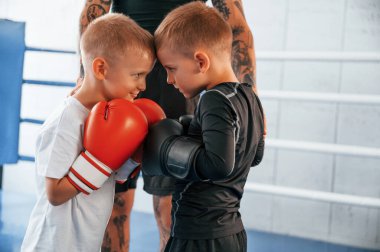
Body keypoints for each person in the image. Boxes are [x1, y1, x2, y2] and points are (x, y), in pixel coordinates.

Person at [78, 1, 257, 251]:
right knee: (112, 205)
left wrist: (249, 96)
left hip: (182, 85)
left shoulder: (214, 99)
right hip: (120, 78)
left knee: (170, 209)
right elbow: (93, 11)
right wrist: (88, 81)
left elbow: (236, 24)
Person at [21, 13, 156, 251]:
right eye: (136, 75)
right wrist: (97, 161)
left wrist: (136, 155)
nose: (143, 86)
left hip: (86, 242)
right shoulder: (66, 120)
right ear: (101, 68)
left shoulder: (110, 118)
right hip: (52, 245)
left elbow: (110, 175)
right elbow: (54, 193)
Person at [141, 2, 265, 252]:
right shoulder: (250, 97)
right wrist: (191, 130)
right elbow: (255, 154)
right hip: (231, 231)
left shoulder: (213, 99)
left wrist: (168, 150)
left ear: (200, 61)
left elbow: (219, 165)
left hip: (199, 235)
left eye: (171, 69)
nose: (169, 80)